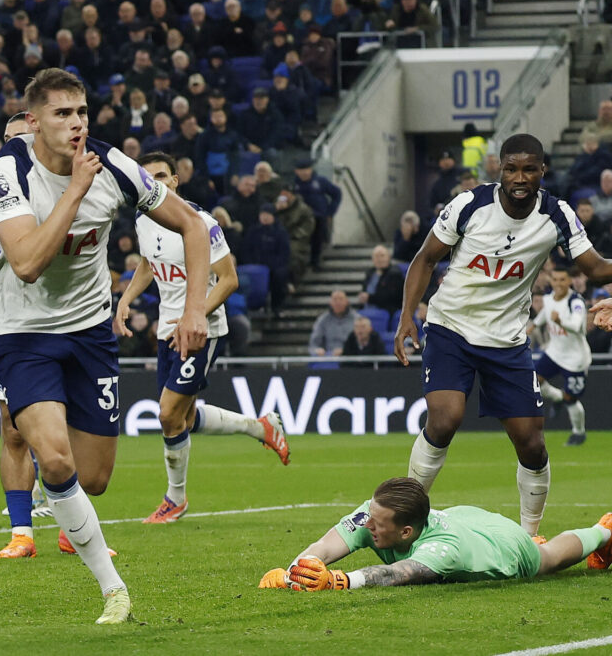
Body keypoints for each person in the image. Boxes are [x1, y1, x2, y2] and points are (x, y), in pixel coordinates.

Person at [0, 68, 211, 624]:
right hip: (24, 333)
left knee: (93, 479)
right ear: (33, 122)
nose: (77, 124)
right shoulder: (9, 170)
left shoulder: (115, 165)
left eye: (82, 112)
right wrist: (77, 190)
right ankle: (114, 591)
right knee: (55, 457)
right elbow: (28, 264)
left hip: (90, 334)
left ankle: (62, 502)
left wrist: (196, 308)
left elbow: (195, 227)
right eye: (63, 114)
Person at [394, 133, 612, 537]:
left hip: (507, 341)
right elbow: (425, 259)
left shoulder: (557, 215)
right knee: (445, 419)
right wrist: (408, 315)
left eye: (529, 169)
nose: (519, 177)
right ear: (499, 169)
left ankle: (530, 536)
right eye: (511, 168)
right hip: (451, 328)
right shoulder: (470, 204)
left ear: (542, 171)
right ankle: (407, 520)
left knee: (532, 443)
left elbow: (595, 268)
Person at [114, 152, 289, 525]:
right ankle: (261, 427)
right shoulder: (144, 219)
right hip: (167, 330)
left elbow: (229, 279)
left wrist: (195, 316)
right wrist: (126, 299)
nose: (155, 184)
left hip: (201, 330)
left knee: (166, 413)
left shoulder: (201, 223)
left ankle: (174, 499)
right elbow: (147, 263)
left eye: (162, 176)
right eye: (148, 179)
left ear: (176, 180)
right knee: (184, 416)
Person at [258, 477, 612, 590]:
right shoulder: (377, 512)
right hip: (464, 517)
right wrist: (294, 572)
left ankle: (603, 530)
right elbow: (324, 546)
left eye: (376, 525)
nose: (366, 526)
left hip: (502, 546)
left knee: (546, 559)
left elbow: (397, 574)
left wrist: (341, 581)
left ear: (407, 531)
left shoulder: (444, 550)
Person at [0, 112, 54, 562]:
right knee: (14, 430)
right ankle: (22, 532)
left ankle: (71, 528)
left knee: (73, 431)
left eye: (20, 138)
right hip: (12, 326)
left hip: (65, 322)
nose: (12, 147)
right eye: (7, 140)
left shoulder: (66, 186)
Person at [526, 267, 590, 446]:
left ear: (569, 281)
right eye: (555, 280)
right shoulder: (547, 298)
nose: (559, 283)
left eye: (563, 280)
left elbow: (577, 326)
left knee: (572, 399)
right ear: (550, 281)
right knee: (535, 380)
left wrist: (561, 322)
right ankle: (558, 398)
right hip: (554, 352)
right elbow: (546, 314)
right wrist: (532, 327)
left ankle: (579, 433)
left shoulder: (575, 302)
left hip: (575, 359)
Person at [308, 289, 355, 357]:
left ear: (347, 302)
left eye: (341, 299)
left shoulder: (357, 319)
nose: (338, 302)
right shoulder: (322, 320)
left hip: (350, 358)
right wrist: (317, 350)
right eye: (335, 300)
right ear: (330, 303)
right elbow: (314, 344)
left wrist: (345, 351)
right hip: (329, 357)